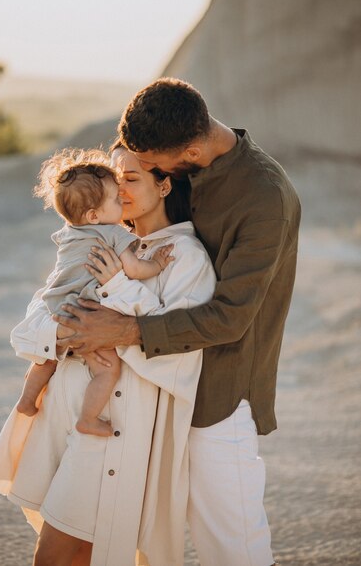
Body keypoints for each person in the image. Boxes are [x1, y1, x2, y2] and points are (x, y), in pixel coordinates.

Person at [53, 77, 302, 566]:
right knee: (145, 542)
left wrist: (123, 329)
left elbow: (231, 318)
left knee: (232, 549)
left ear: (189, 151)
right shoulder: (180, 165)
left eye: (153, 167)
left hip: (217, 397)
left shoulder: (264, 199)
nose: (144, 174)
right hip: (154, 392)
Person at [0, 142, 216, 566]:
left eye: (132, 179)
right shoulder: (90, 241)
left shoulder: (185, 257)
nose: (120, 190)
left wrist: (118, 289)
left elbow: (179, 355)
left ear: (164, 185)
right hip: (63, 418)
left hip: (109, 431)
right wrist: (70, 335)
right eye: (115, 179)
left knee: (56, 554)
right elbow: (28, 331)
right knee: (67, 554)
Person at [16, 147, 173, 437]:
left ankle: (26, 400)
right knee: (107, 370)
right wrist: (158, 263)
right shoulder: (112, 233)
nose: (121, 199)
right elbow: (135, 269)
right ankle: (87, 419)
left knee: (47, 358)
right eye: (114, 199)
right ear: (93, 215)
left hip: (57, 308)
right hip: (85, 311)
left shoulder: (69, 233)